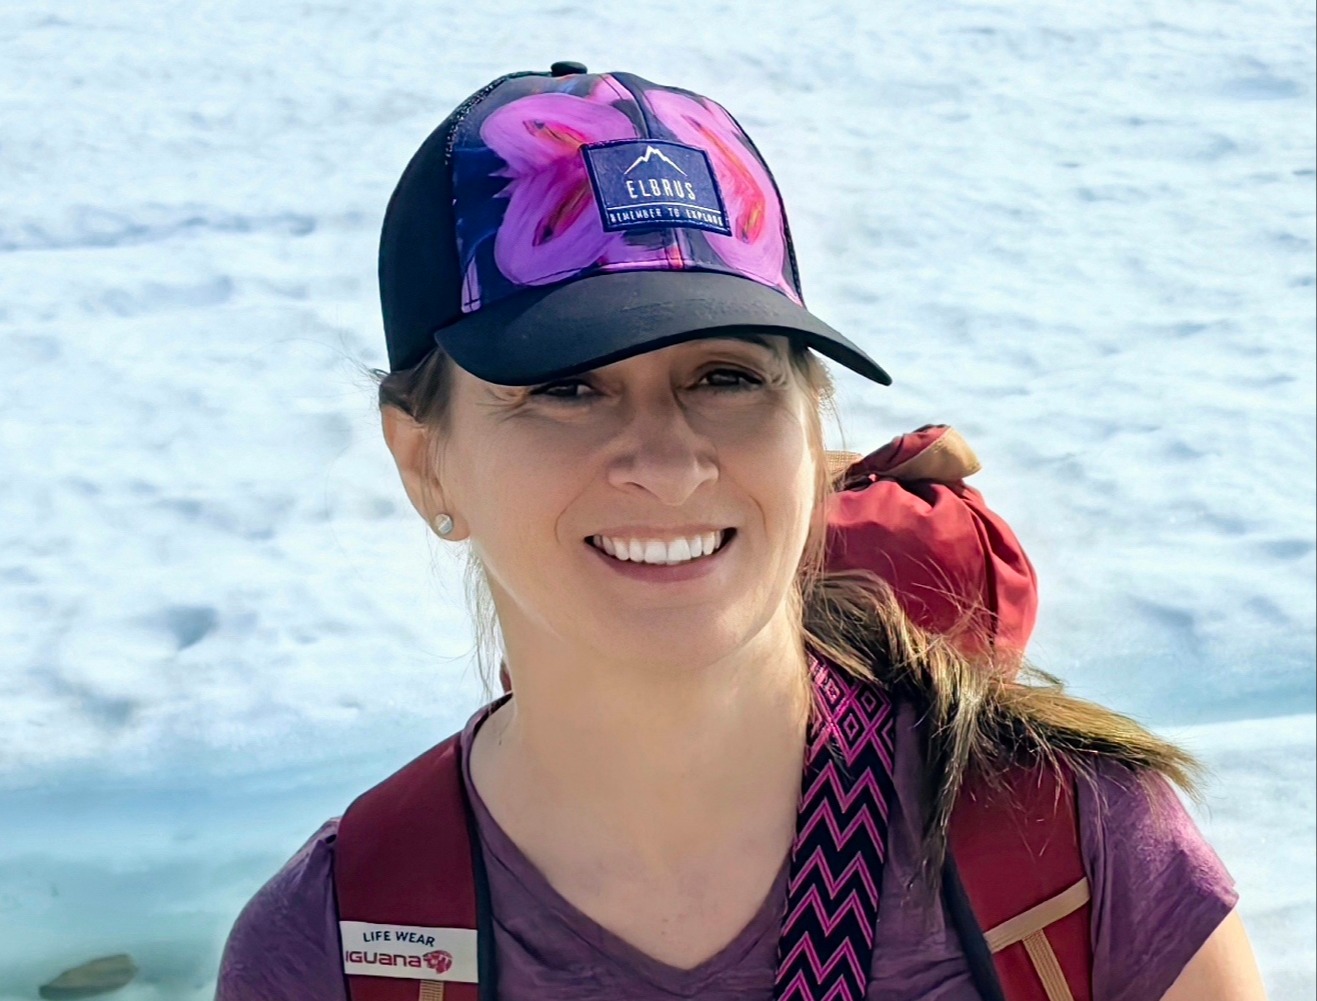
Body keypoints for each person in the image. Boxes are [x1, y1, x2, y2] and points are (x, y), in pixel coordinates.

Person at [216, 63, 1267, 1000]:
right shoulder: (339, 953)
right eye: (567, 388)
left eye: (725, 377)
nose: (668, 463)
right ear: (423, 460)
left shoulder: (1075, 857)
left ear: (808, 424)